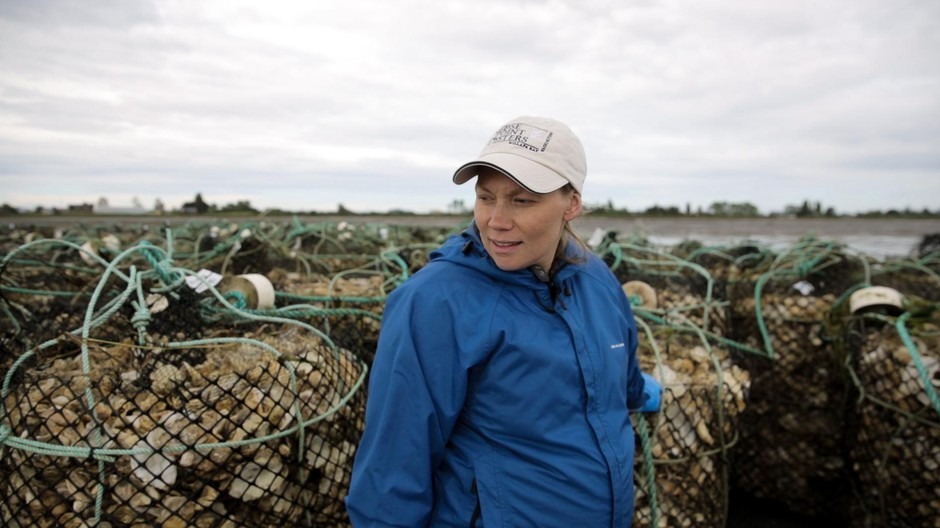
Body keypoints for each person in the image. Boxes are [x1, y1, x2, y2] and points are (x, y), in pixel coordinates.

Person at [345, 116, 660, 527]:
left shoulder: (596, 280)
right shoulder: (435, 301)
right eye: (485, 197)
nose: (496, 220)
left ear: (572, 204)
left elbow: (621, 373)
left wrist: (642, 390)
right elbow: (392, 465)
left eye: (521, 200)